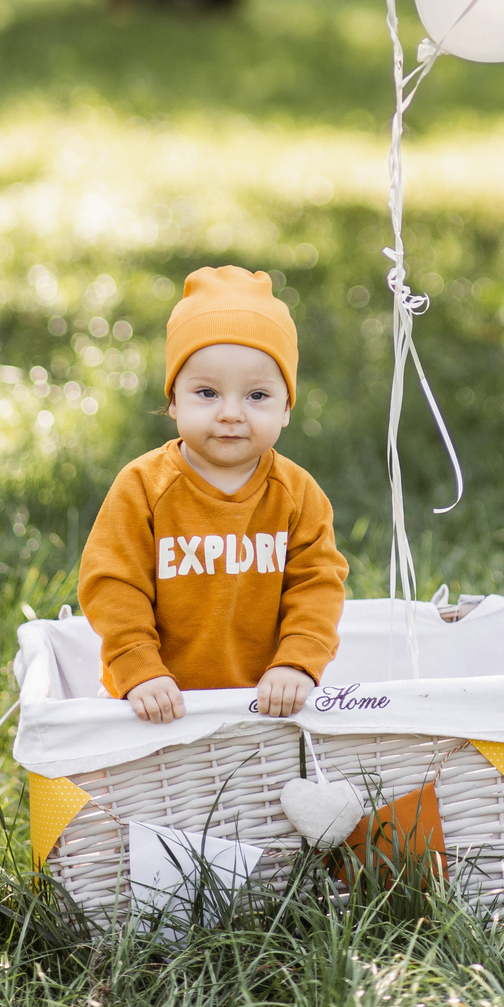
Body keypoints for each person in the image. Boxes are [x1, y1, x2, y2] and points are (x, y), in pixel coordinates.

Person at [79, 265, 347, 725]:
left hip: (264, 704)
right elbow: (112, 583)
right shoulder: (144, 486)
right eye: (206, 392)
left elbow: (317, 585)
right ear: (173, 402)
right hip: (153, 702)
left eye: (257, 396)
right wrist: (138, 669)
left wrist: (297, 662)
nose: (230, 414)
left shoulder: (296, 493)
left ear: (287, 407)